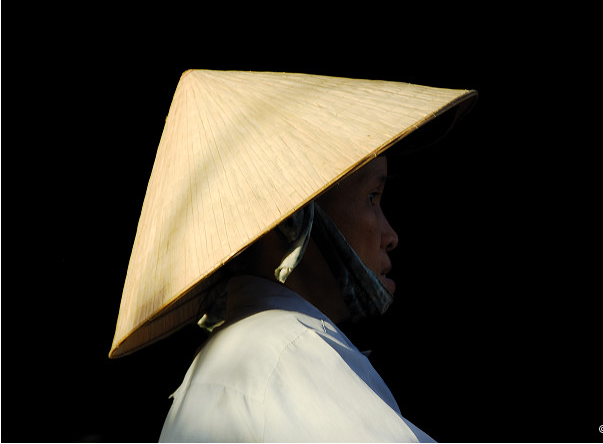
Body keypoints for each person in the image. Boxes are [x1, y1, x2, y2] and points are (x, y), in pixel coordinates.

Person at [109, 70, 477, 442]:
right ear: (295, 221)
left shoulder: (225, 362)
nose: (391, 236)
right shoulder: (287, 353)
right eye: (372, 198)